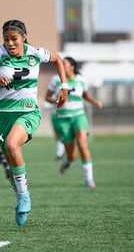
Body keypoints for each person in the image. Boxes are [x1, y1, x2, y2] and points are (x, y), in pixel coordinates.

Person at [0, 19, 68, 226]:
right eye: (6, 39)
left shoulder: (36, 53)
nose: (9, 43)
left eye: (14, 39)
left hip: (27, 112)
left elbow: (58, 59)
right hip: (2, 114)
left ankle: (25, 196)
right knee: (10, 161)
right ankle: (20, 196)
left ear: (24, 37)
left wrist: (64, 86)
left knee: (11, 144)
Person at [45, 56, 102, 188]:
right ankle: (68, 161)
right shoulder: (55, 80)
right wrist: (57, 101)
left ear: (72, 67)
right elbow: (48, 97)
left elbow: (85, 95)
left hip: (78, 116)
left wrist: (95, 102)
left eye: (64, 63)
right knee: (72, 154)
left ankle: (89, 179)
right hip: (62, 119)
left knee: (83, 145)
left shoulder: (81, 80)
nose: (61, 66)